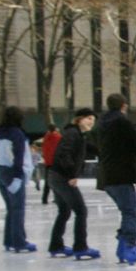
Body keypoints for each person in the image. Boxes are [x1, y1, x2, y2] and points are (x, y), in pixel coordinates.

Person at [96, 94, 136, 263]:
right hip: (121, 174)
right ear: (123, 105)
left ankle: (123, 249)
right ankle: (129, 247)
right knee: (130, 212)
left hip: (106, 176)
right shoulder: (122, 122)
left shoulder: (101, 124)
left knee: (126, 211)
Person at [46, 108, 99, 257]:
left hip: (56, 176)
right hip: (62, 177)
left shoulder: (79, 135)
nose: (91, 122)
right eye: (89, 119)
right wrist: (70, 175)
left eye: (93, 120)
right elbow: (64, 154)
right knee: (81, 211)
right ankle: (80, 247)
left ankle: (56, 246)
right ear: (79, 119)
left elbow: (92, 149)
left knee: (64, 211)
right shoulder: (72, 133)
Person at [0, 106, 36, 253]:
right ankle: (19, 242)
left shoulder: (0, 132)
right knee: (17, 209)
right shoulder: (17, 134)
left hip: (1, 171)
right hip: (13, 172)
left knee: (11, 209)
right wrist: (18, 176)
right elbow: (18, 156)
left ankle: (9, 241)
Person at [41, 123, 61, 205]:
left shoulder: (46, 138)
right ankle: (57, 198)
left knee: (47, 182)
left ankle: (44, 199)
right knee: (57, 181)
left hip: (47, 163)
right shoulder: (58, 137)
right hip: (56, 163)